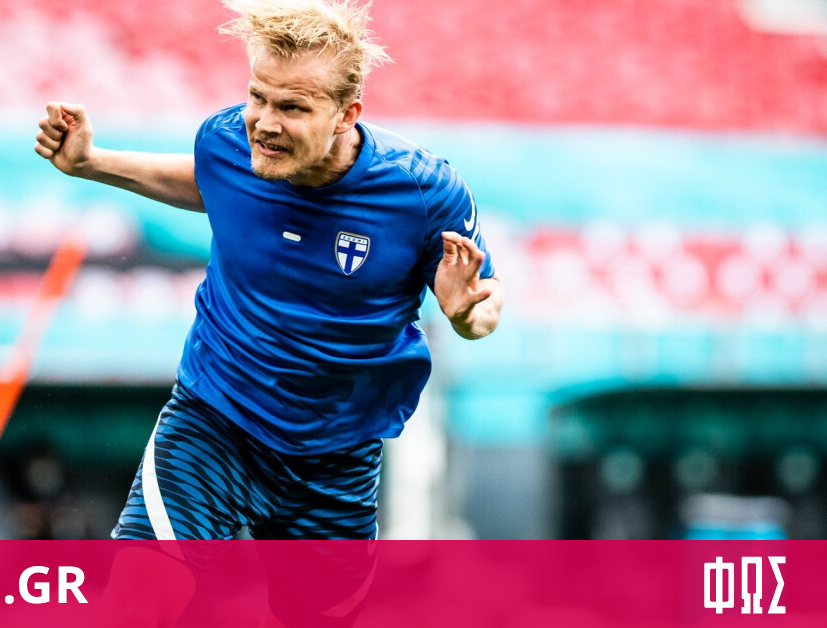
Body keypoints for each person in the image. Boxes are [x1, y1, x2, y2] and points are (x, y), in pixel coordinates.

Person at [36, 0, 502, 622]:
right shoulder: (226, 142)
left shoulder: (422, 191)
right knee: (137, 603)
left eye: (293, 108)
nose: (264, 123)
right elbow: (212, 181)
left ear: (347, 114)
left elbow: (482, 302)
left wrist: (466, 315)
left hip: (338, 455)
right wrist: (92, 162)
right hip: (213, 422)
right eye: (258, 96)